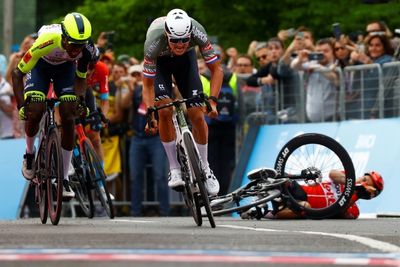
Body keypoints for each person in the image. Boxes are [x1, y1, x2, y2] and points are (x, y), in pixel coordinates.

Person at [142, 8, 223, 195]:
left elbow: (217, 70)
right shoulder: (153, 42)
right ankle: (174, 169)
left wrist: (213, 100)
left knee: (197, 114)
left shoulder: (197, 32)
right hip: (161, 64)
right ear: (166, 34)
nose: (180, 44)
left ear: (190, 35)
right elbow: (147, 85)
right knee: (164, 111)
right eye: (175, 40)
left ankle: (205, 167)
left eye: (185, 40)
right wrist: (150, 111)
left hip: (186, 62)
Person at [12, 12, 93, 198]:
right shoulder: (46, 41)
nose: (75, 50)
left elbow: (81, 79)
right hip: (40, 66)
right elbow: (17, 74)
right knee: (36, 110)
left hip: (65, 70)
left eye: (79, 46)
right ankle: (29, 154)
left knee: (69, 114)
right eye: (72, 44)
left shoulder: (86, 49)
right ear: (63, 37)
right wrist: (22, 106)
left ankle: (63, 178)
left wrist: (80, 100)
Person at [121, 64, 170, 216]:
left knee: (160, 176)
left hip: (156, 139)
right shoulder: (136, 89)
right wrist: (130, 88)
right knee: (135, 176)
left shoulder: (161, 89)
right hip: (137, 137)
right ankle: (135, 212)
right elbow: (124, 105)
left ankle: (165, 211)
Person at [242, 170, 384, 220]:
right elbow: (332, 174)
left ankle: (259, 212)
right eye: (364, 179)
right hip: (301, 191)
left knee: (305, 207)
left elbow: (340, 211)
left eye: (367, 184)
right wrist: (350, 183)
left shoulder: (354, 210)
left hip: (302, 206)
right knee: (284, 180)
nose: (362, 182)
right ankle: (261, 184)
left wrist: (357, 194)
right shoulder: (348, 177)